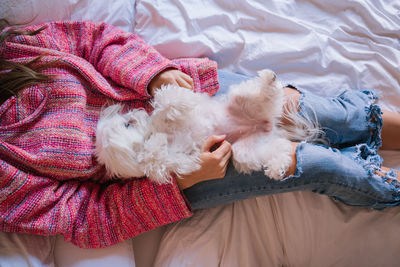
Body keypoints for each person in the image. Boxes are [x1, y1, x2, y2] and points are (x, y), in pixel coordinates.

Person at [0, 20, 399, 252]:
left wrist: (154, 74)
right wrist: (187, 177)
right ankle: (384, 188)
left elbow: (94, 40)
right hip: (172, 171)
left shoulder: (18, 48)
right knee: (315, 164)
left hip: (179, 99)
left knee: (316, 113)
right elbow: (88, 218)